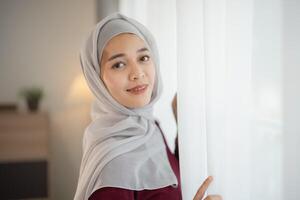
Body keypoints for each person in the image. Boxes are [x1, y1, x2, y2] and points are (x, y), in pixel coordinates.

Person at [74, 13, 222, 200]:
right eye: (119, 64)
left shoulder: (148, 127)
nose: (137, 73)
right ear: (96, 78)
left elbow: (165, 179)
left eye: (143, 58)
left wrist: (181, 126)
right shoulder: (112, 167)